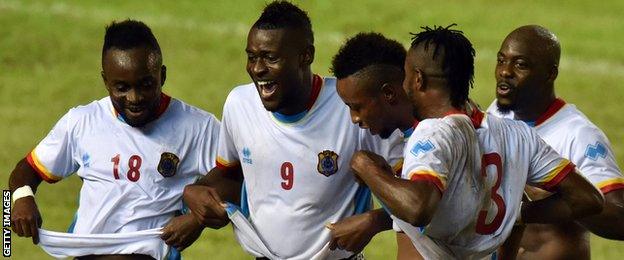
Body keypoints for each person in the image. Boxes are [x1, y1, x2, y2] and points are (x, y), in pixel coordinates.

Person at [331, 28, 604, 259]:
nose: (354, 118)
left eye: (405, 76)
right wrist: (518, 214)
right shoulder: (514, 133)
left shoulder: (432, 134)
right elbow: (587, 199)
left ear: (417, 79)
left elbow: (418, 207)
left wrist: (365, 167)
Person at [181, 1, 403, 259]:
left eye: (270, 58)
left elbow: (416, 197)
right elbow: (231, 175)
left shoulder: (351, 108)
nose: (257, 69)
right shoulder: (239, 104)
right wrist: (195, 193)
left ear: (305, 55)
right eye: (252, 57)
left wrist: (376, 220)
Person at [8, 20, 220, 259]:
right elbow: (25, 169)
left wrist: (196, 220)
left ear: (162, 75)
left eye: (145, 85)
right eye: (121, 87)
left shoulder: (199, 127)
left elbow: (237, 180)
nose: (134, 98)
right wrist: (20, 198)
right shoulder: (82, 122)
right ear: (105, 81)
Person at [487, 25, 624, 259]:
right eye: (501, 61)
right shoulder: (497, 115)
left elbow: (619, 219)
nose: (505, 72)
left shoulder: (578, 134)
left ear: (550, 74)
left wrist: (562, 190)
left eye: (520, 65)